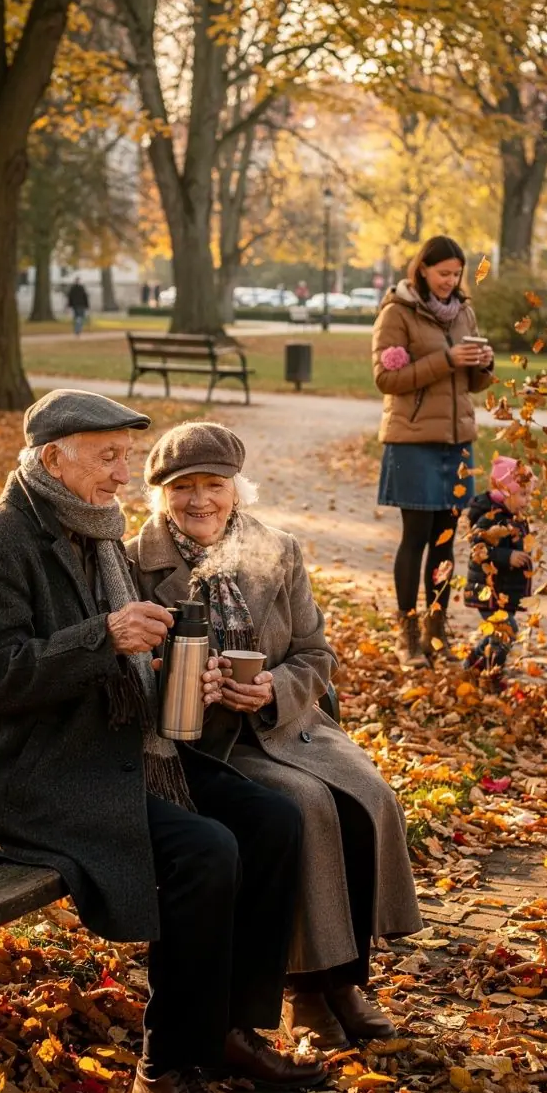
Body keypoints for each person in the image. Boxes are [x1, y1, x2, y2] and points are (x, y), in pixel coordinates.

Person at [0, 389, 323, 1093]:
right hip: (34, 773)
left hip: (115, 749)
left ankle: (226, 1029)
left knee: (275, 820)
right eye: (109, 455)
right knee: (204, 851)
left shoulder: (95, 529)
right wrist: (102, 637)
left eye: (125, 454)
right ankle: (166, 1067)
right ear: (55, 458)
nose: (125, 473)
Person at [128, 422, 421, 1052]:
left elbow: (316, 651)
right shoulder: (135, 563)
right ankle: (306, 990)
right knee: (305, 806)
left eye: (214, 484)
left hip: (287, 723)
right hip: (208, 746)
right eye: (183, 487)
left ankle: (345, 981)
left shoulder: (277, 550)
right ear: (161, 496)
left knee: (367, 794)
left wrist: (274, 689)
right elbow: (131, 672)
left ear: (238, 490)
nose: (199, 499)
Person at [371, 235, 494, 669]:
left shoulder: (464, 311)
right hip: (413, 441)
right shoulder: (397, 313)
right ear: (422, 269)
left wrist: (483, 364)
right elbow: (386, 380)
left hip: (457, 443)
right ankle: (407, 632)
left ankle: (436, 628)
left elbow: (473, 383)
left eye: (457, 274)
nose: (451, 281)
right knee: (417, 537)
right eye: (444, 273)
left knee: (445, 542)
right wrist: (447, 358)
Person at [464, 456, 535, 682]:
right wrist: (507, 556)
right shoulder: (489, 517)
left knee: (500, 633)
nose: (528, 500)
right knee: (505, 631)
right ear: (505, 492)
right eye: (523, 494)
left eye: (530, 494)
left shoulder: (513, 516)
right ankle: (491, 676)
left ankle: (473, 665)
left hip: (505, 590)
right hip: (488, 589)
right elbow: (479, 547)